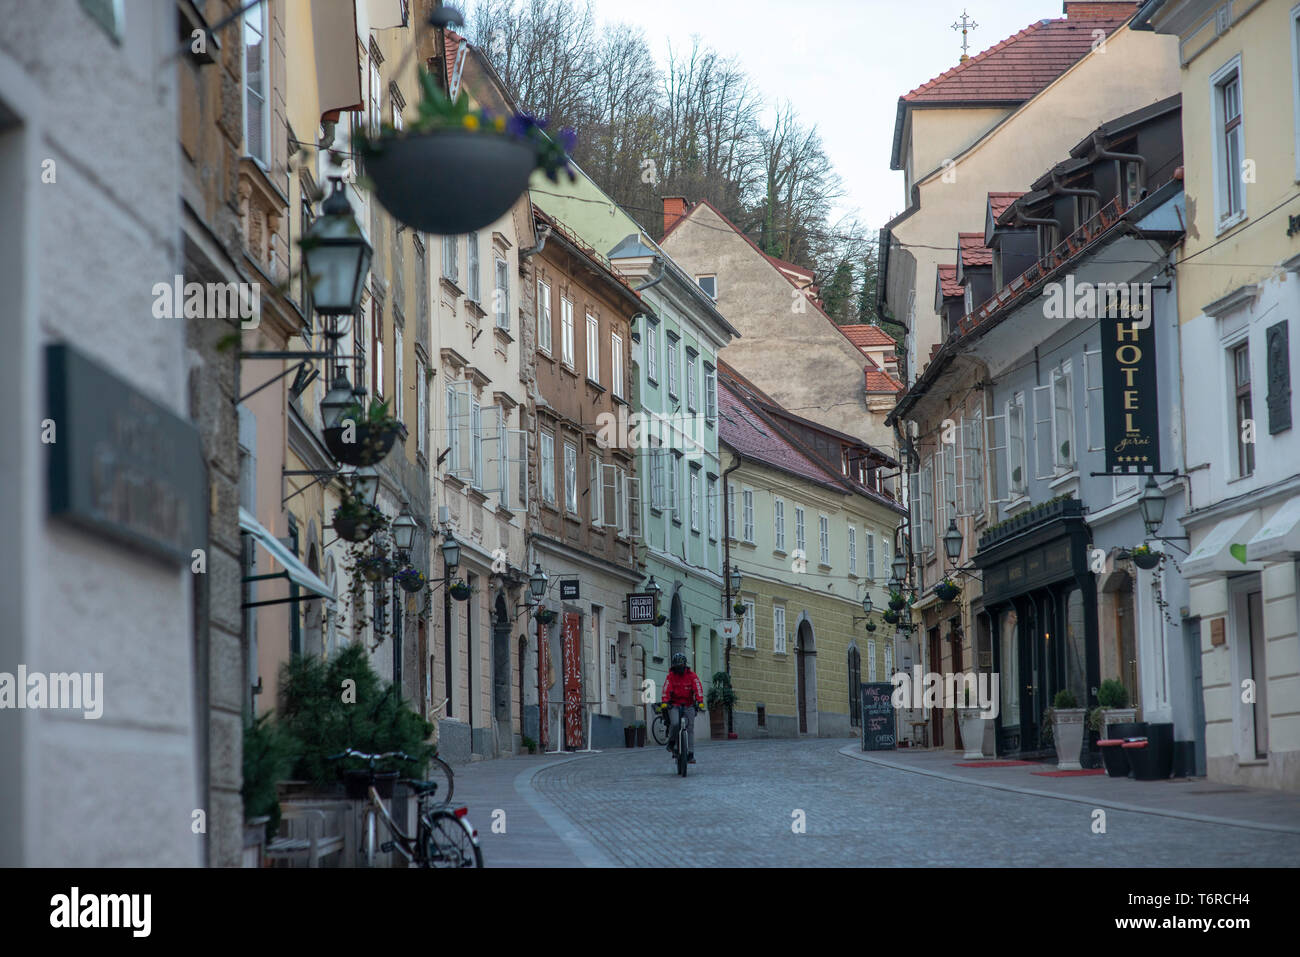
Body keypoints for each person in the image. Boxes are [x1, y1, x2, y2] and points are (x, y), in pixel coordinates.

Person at [660, 652, 704, 764]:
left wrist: (700, 701)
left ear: (684, 665)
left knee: (690, 728)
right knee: (674, 724)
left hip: (688, 705)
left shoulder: (692, 676)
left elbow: (698, 688)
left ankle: (690, 754)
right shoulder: (670, 676)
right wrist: (665, 702)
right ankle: (671, 742)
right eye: (677, 666)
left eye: (681, 666)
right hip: (674, 705)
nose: (679, 668)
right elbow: (666, 689)